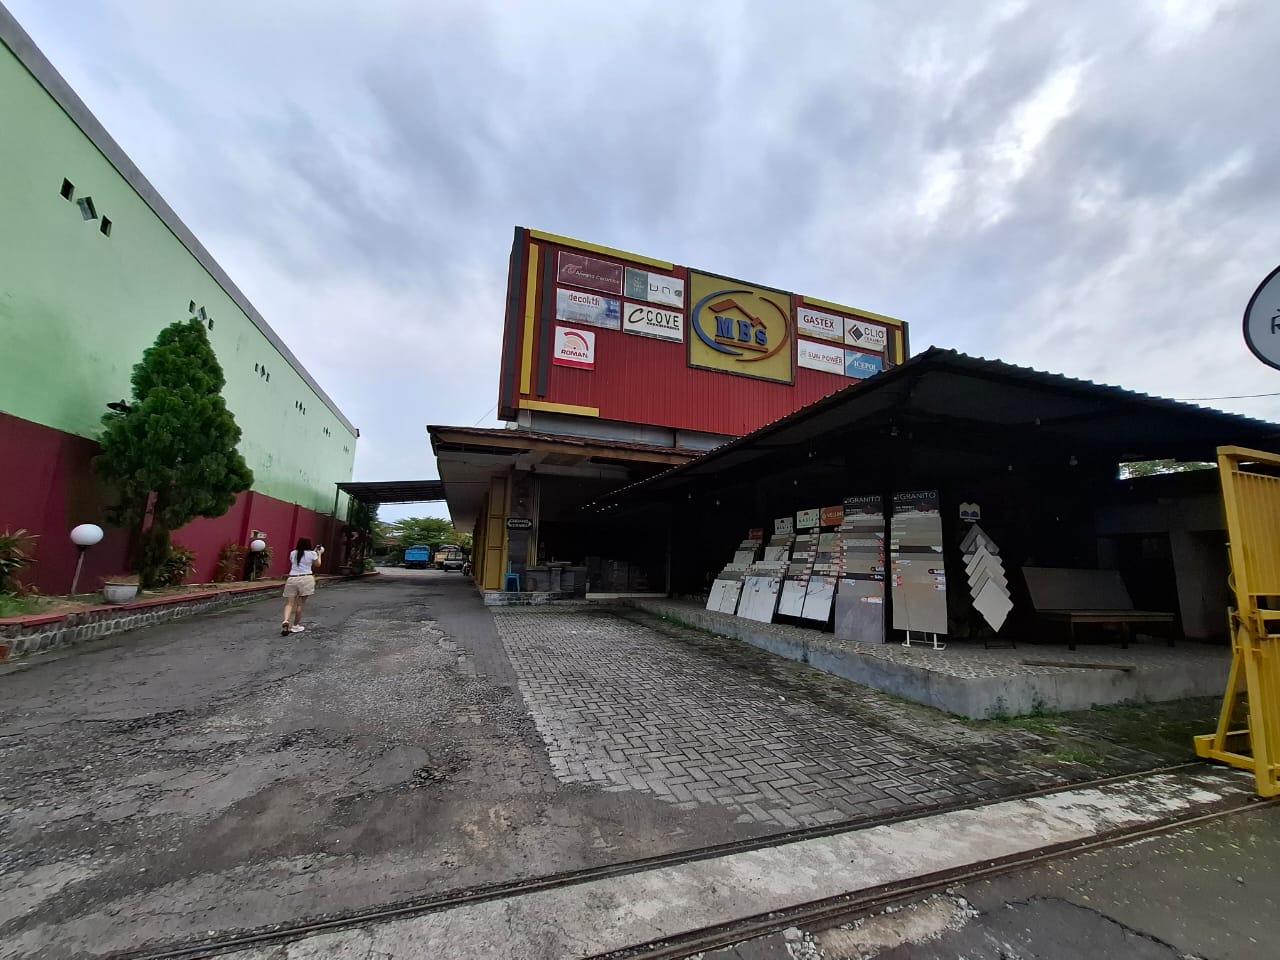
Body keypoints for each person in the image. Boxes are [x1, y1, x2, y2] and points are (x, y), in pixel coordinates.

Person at [281, 538, 323, 635]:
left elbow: (299, 560)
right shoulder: (312, 554)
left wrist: (314, 552)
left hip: (292, 578)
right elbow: (318, 564)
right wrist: (319, 553)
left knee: (289, 603)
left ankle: (286, 620)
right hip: (306, 578)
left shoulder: (293, 553)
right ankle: (295, 626)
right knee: (300, 604)